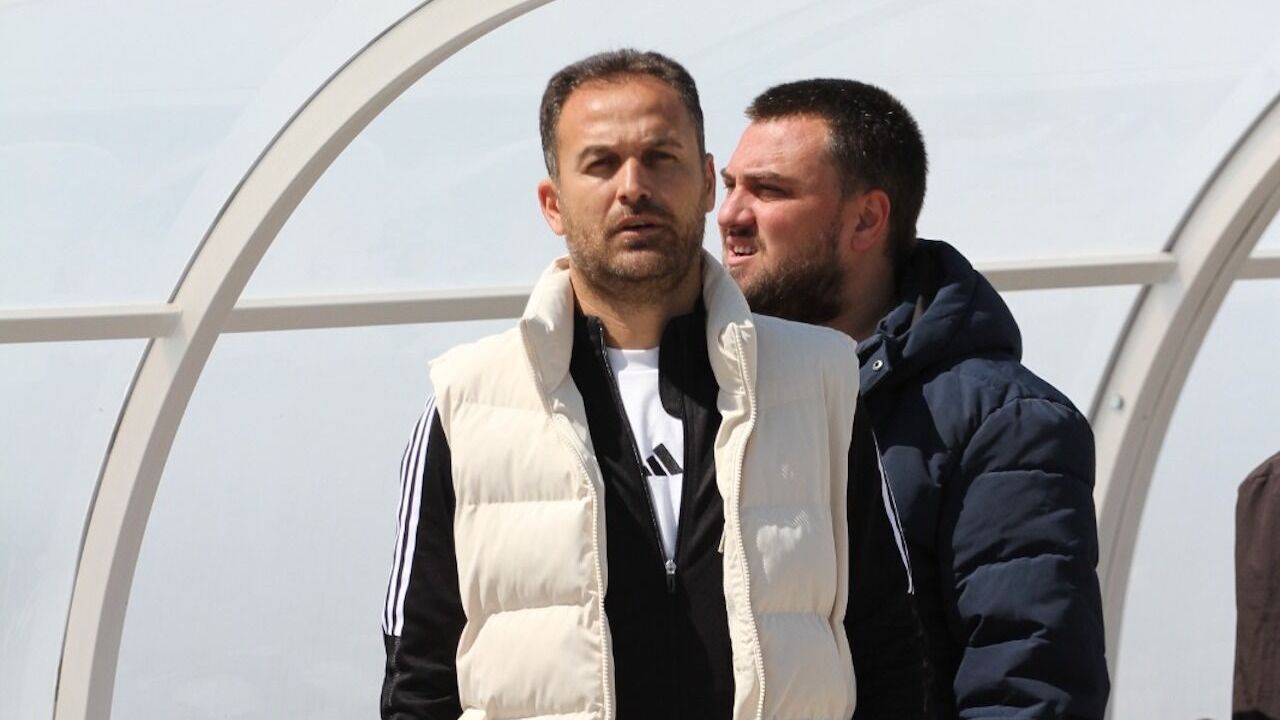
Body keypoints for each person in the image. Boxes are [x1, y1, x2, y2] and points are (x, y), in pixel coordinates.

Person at [380, 51, 924, 720]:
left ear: (706, 183)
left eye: (661, 158)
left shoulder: (817, 382)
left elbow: (888, 649)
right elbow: (419, 678)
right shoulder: (469, 401)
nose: (632, 187)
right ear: (553, 203)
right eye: (600, 164)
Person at [718, 78, 1111, 719]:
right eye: (729, 185)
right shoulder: (709, 400)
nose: (730, 215)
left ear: (867, 220)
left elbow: (1028, 690)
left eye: (768, 190)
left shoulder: (1003, 426)